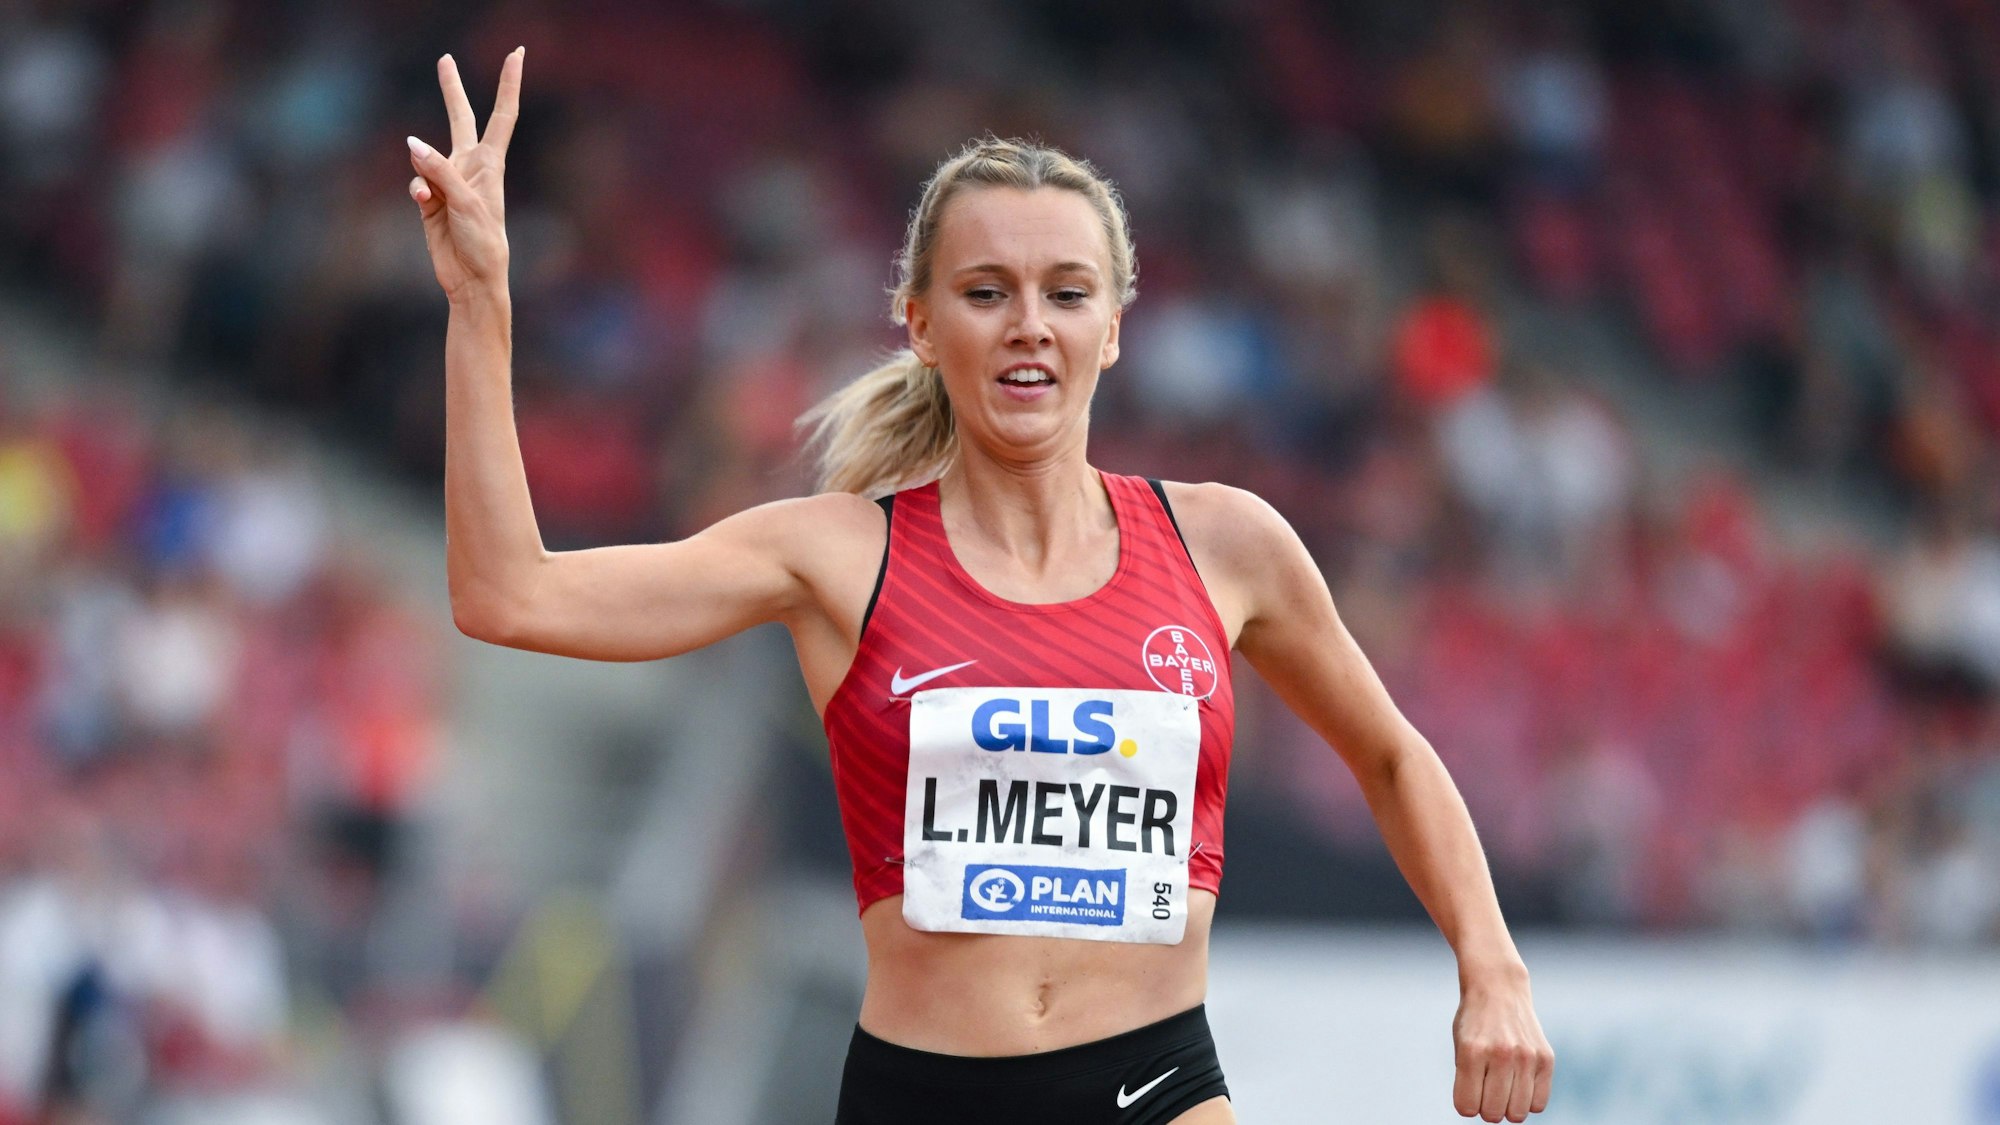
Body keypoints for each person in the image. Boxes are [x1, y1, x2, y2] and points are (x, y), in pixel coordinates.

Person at [406, 48, 1555, 1125]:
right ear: (916, 323)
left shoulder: (1225, 544)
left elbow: (1392, 755)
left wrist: (1491, 968)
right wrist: (481, 305)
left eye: (1065, 293)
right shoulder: (834, 556)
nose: (1029, 328)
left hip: (1155, 1083)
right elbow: (509, 595)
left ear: (1112, 328)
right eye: (985, 291)